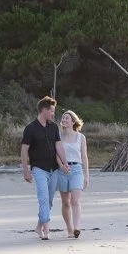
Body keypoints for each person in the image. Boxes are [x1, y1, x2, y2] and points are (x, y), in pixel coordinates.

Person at [20, 96, 69, 240]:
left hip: (54, 169)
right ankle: (46, 230)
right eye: (51, 111)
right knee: (43, 198)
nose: (53, 114)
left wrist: (65, 162)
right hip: (39, 169)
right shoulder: (30, 128)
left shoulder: (53, 127)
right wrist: (25, 171)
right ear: (44, 110)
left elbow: (58, 146)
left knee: (49, 201)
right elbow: (24, 150)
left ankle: (38, 227)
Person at [57, 110, 89, 238]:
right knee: (66, 202)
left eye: (67, 118)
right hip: (62, 170)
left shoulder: (81, 137)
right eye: (63, 118)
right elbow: (56, 154)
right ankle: (69, 229)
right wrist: (61, 166)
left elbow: (84, 157)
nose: (64, 120)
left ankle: (77, 227)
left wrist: (86, 175)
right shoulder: (58, 136)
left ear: (73, 121)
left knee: (75, 200)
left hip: (76, 170)